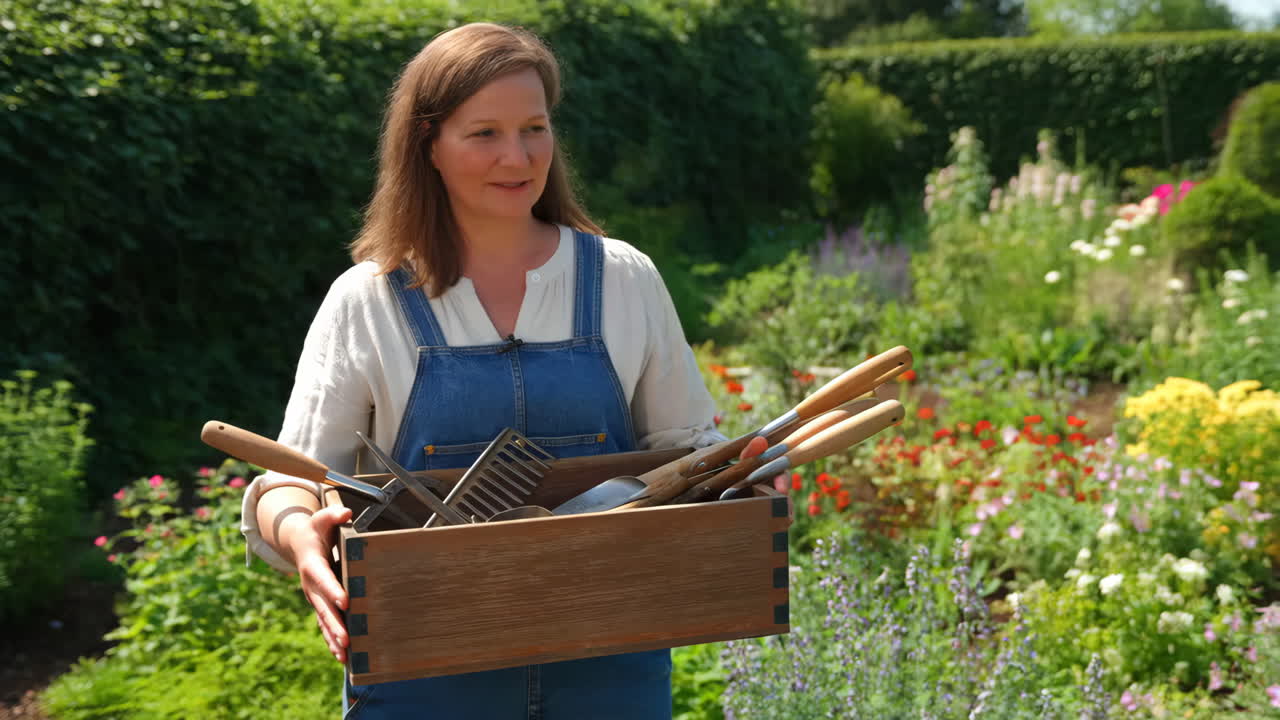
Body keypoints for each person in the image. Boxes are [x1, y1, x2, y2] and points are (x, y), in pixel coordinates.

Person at [239, 22, 735, 719]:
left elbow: (689, 446)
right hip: (422, 681)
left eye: (534, 127)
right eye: (485, 134)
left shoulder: (623, 279)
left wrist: (743, 477)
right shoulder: (369, 301)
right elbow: (292, 480)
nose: (518, 155)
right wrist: (300, 533)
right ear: (428, 146)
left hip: (612, 673)